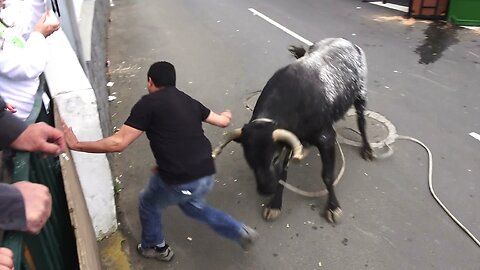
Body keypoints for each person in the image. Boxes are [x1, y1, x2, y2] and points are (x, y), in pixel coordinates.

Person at [63, 61, 258, 262]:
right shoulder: (188, 100)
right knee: (194, 207)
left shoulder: (148, 104)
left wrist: (77, 145)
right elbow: (222, 122)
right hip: (205, 171)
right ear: (173, 82)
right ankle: (239, 230)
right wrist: (227, 114)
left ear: (150, 82)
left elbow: (118, 143)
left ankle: (155, 247)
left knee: (148, 203)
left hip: (182, 178)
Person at [0, 0, 60, 121]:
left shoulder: (3, 18)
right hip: (22, 121)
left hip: (33, 103)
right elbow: (28, 67)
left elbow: (24, 31)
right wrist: (39, 35)